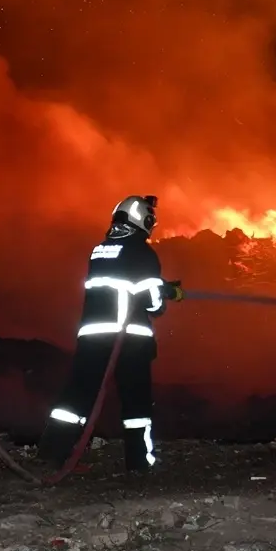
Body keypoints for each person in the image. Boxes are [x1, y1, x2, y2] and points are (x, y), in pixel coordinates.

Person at [39, 194, 183, 471]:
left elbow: (123, 282)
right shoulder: (143, 253)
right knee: (136, 403)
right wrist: (165, 293)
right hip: (127, 339)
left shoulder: (101, 250)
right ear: (144, 220)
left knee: (77, 397)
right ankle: (140, 461)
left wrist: (161, 286)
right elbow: (150, 301)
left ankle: (52, 452)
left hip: (93, 337)